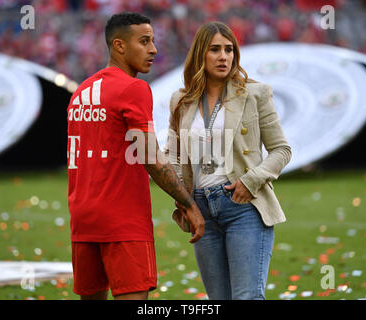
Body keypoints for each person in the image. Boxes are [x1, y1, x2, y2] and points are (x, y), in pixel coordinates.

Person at [67, 12, 204, 300]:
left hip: (83, 219)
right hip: (122, 219)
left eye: (153, 41)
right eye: (144, 41)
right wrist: (187, 202)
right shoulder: (133, 88)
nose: (153, 49)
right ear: (119, 46)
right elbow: (150, 157)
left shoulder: (80, 92)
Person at [165, 21, 291, 300]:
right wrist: (182, 197)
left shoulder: (255, 93)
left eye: (229, 49)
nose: (224, 56)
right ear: (200, 55)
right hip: (200, 211)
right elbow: (172, 155)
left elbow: (281, 150)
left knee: (246, 297)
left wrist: (251, 181)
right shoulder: (180, 100)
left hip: (243, 207)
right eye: (215, 50)